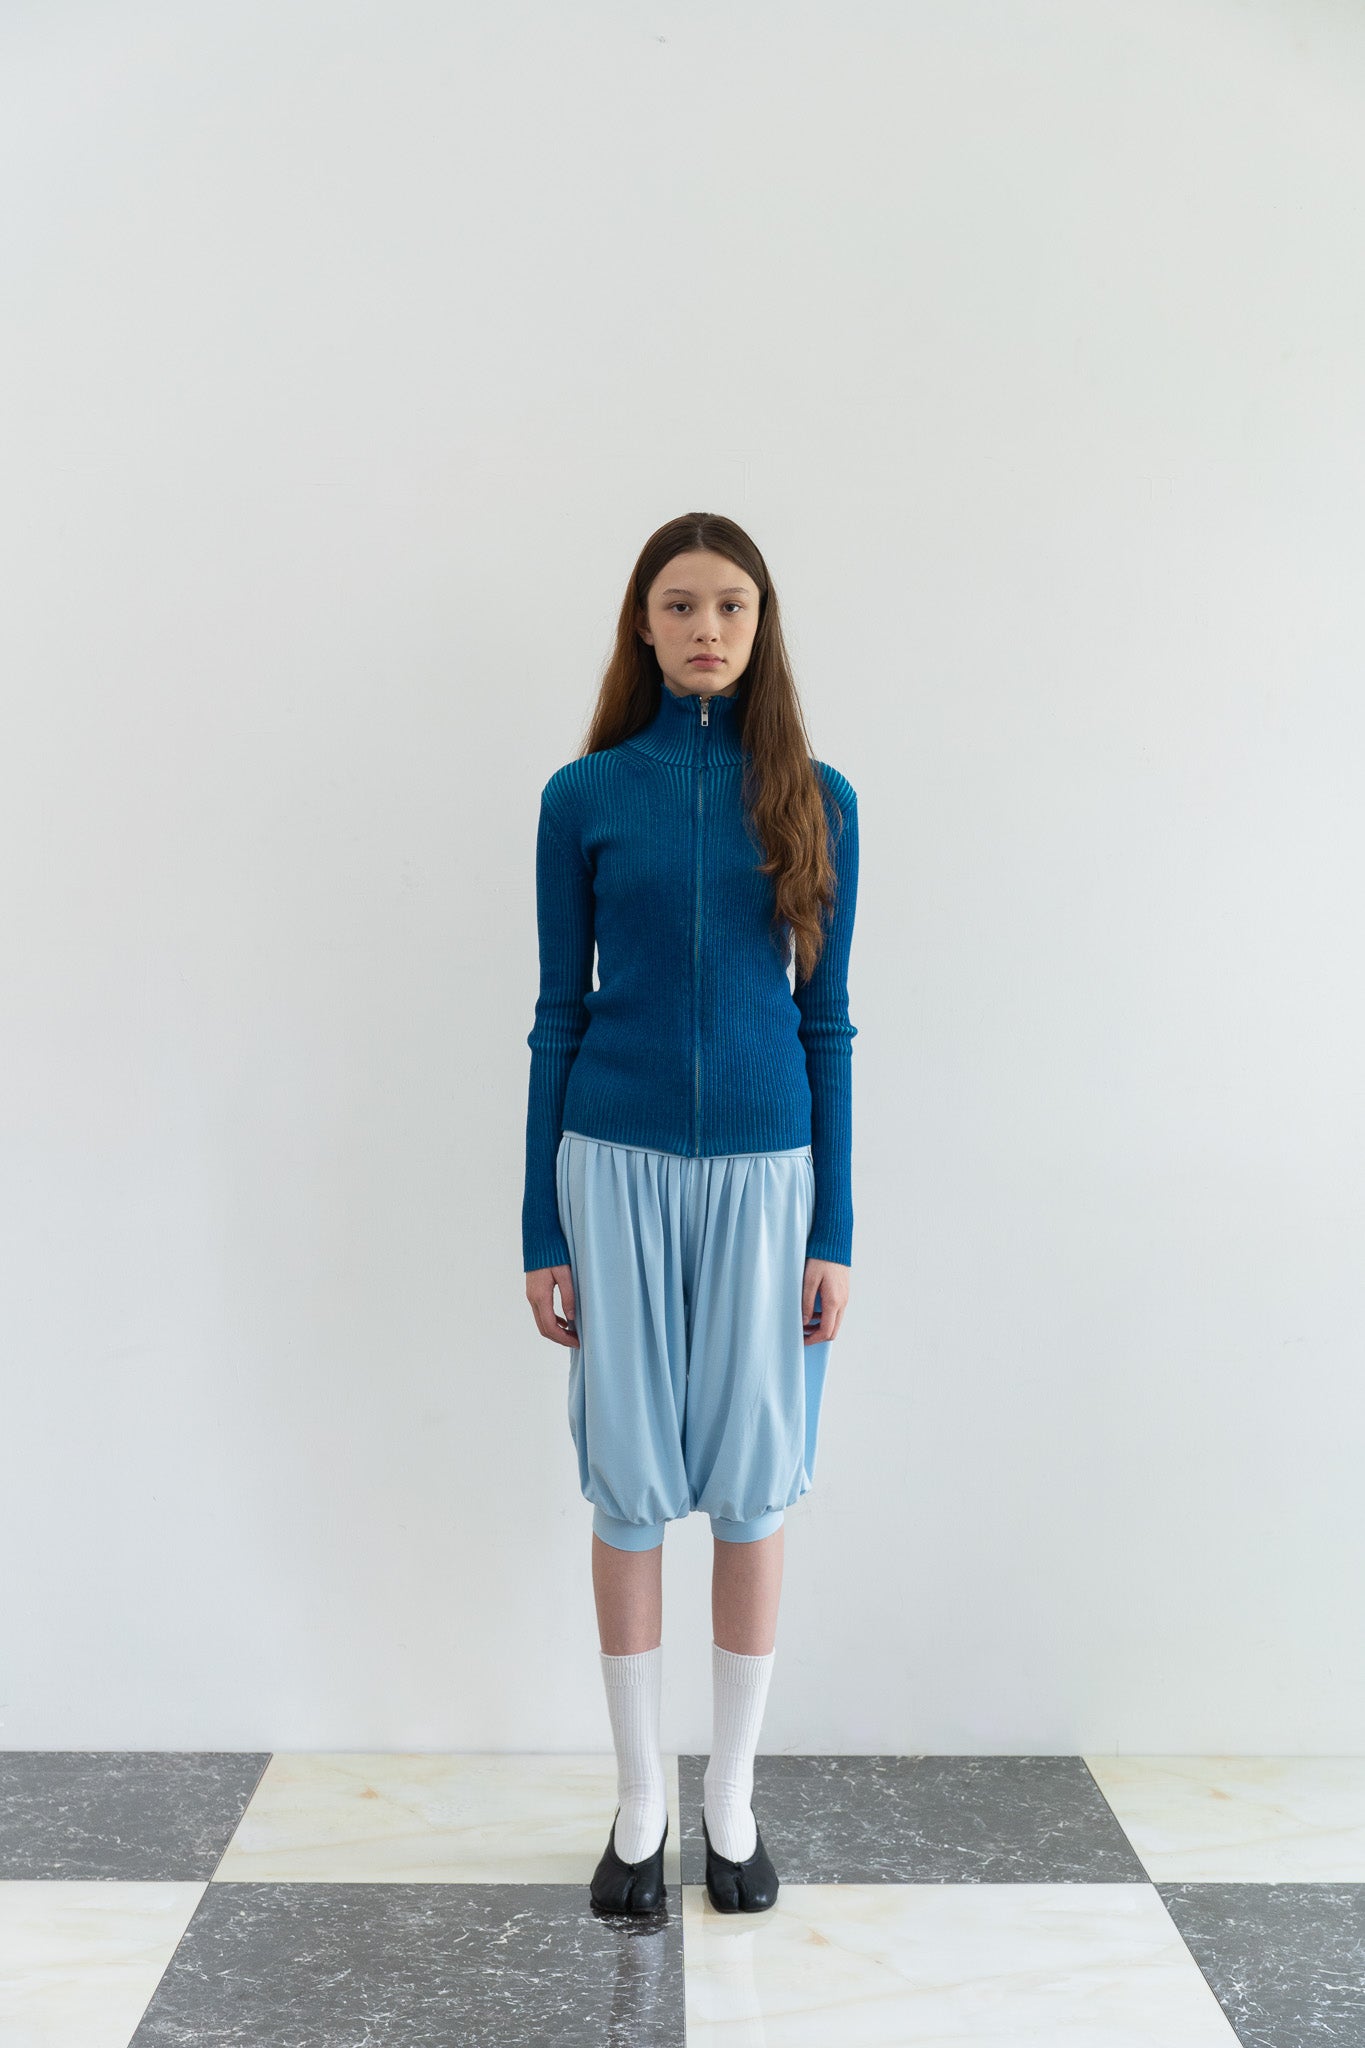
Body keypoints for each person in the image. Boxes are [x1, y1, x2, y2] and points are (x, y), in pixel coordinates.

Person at [522, 511, 859, 1916]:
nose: (706, 626)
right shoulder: (585, 796)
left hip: (769, 1176)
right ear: (643, 624)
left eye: (730, 604)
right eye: (679, 603)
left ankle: (730, 1804)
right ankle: (639, 1807)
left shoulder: (817, 798)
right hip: (611, 1162)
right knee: (628, 1482)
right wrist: (537, 1231)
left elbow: (826, 1021)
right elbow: (557, 1013)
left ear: (760, 625)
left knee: (754, 1483)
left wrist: (834, 1228)